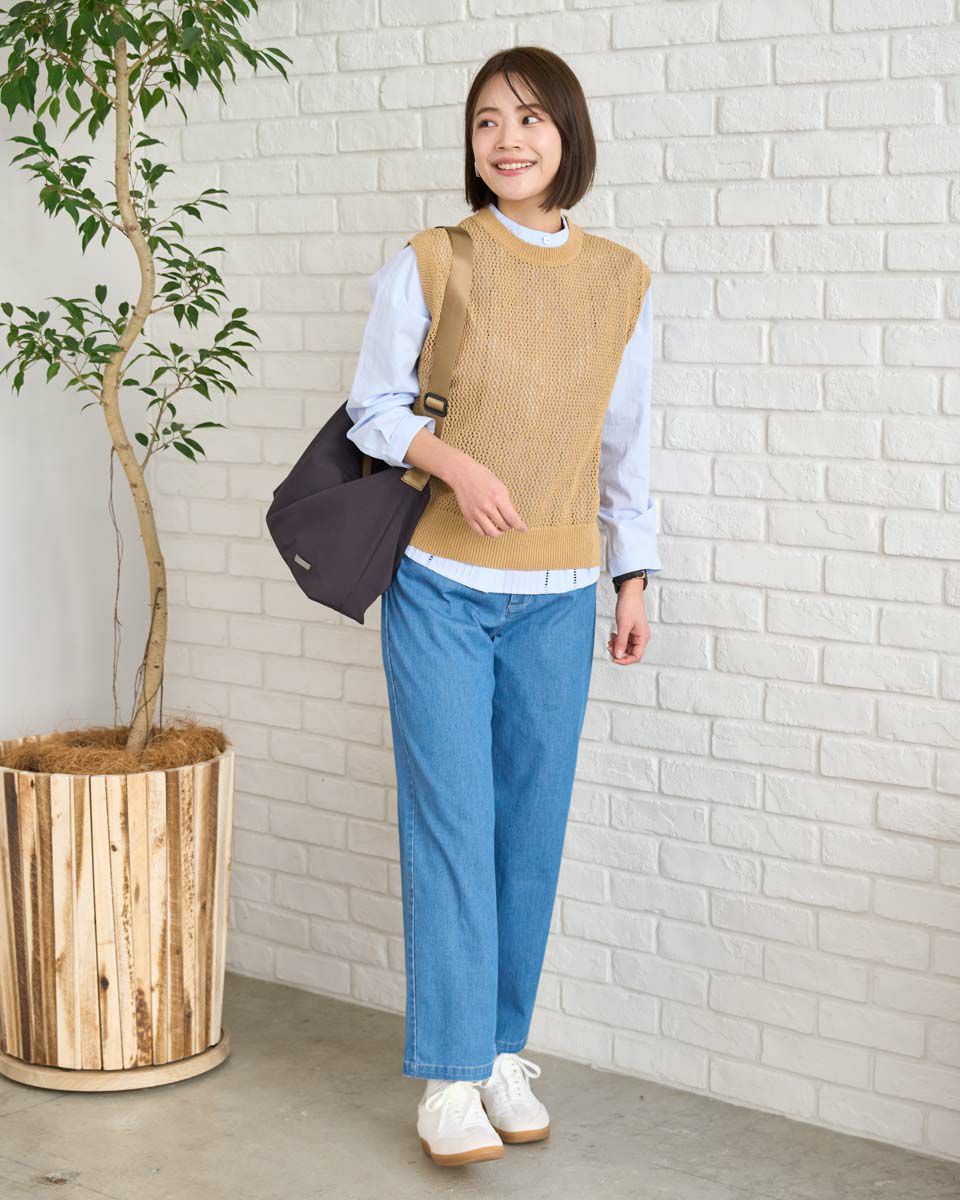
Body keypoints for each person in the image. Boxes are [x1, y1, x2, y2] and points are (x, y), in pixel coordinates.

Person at [345, 46, 661, 1168]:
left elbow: (625, 441)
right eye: (487, 122)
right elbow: (372, 409)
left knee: (529, 834)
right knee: (452, 825)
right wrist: (453, 461)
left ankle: (496, 1051)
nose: (507, 140)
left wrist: (633, 574)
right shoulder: (435, 260)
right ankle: (448, 1075)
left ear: (568, 132)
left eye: (529, 118)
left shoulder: (621, 279)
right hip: (438, 587)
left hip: (562, 596)